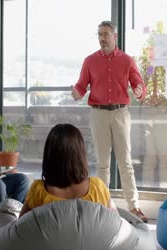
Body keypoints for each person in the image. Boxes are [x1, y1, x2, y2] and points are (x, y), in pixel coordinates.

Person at [71, 20, 148, 222]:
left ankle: (134, 207)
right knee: (103, 164)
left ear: (115, 36)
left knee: (126, 162)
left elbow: (139, 83)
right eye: (99, 35)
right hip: (98, 114)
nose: (102, 38)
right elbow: (81, 85)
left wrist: (140, 90)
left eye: (105, 34)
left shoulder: (127, 60)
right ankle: (101, 205)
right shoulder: (89, 61)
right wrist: (77, 92)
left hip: (121, 114)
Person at [19, 124, 116, 217]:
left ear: (49, 156)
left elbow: (19, 228)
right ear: (80, 155)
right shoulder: (97, 187)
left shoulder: (38, 191)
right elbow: (116, 222)